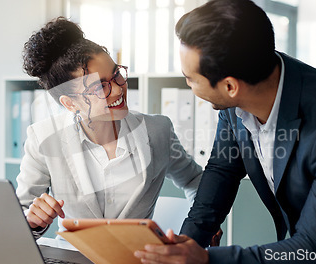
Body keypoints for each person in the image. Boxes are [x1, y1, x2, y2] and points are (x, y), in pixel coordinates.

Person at [134, 0, 316, 263]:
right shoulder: (241, 88)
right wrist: (188, 244)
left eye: (190, 78)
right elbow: (222, 170)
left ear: (230, 86)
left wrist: (205, 260)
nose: (187, 84)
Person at [16, 17, 202, 238]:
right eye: (99, 87)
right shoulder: (43, 138)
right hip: (74, 257)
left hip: (136, 258)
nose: (117, 90)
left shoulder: (157, 130)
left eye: (116, 75)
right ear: (70, 103)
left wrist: (203, 223)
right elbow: (21, 218)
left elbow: (194, 179)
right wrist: (33, 220)